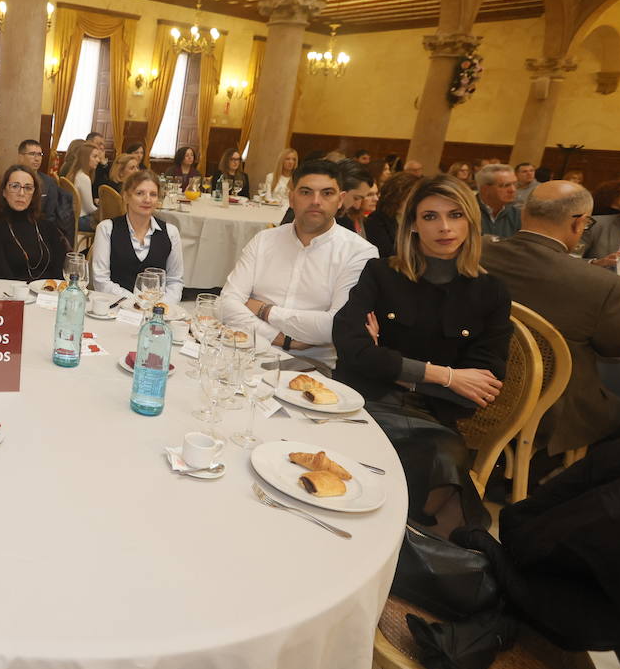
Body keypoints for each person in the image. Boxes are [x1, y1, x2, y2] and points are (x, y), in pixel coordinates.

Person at [333, 175, 511, 531]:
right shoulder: (381, 274)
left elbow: (481, 388)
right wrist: (447, 376)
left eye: (455, 215)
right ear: (413, 224)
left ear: (471, 221)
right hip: (364, 404)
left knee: (443, 468)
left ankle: (400, 545)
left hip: (432, 419)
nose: (444, 227)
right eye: (430, 216)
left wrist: (391, 365)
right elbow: (351, 348)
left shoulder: (490, 292)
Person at [481, 182, 620, 456]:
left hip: (477, 385)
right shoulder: (600, 284)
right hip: (548, 409)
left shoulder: (476, 254)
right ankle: (564, 475)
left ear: (524, 214)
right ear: (579, 223)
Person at [218, 160, 376, 367]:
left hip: (311, 365)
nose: (316, 201)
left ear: (340, 200)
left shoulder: (359, 253)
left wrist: (265, 310)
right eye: (306, 192)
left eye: (327, 193)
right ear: (291, 198)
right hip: (244, 349)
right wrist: (283, 339)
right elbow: (226, 304)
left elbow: (334, 326)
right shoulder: (264, 240)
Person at [91, 169, 184, 304]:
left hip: (156, 309)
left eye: (153, 194)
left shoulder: (171, 232)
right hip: (116, 307)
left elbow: (175, 280)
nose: (147, 199)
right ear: (126, 197)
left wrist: (161, 305)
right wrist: (136, 302)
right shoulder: (107, 229)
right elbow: (101, 280)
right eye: (139, 193)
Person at [0, 165, 69, 282]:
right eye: (15, 186)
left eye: (28, 188)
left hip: (47, 290)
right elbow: (3, 278)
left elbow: (60, 271)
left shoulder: (47, 227)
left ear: (34, 193)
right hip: (10, 291)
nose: (21, 193)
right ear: (4, 192)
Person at [18, 138, 75, 247]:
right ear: (21, 157)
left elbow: (50, 216)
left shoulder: (48, 182)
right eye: (32, 154)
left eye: (39, 155)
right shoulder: (12, 179)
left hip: (40, 231)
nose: (37, 159)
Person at [366, 171, 423, 258]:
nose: (415, 203)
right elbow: (387, 254)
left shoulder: (415, 219)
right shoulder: (376, 220)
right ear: (396, 197)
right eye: (410, 198)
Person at [61, 141, 101, 231]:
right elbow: (89, 208)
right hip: (80, 220)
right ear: (85, 158)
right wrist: (103, 210)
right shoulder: (84, 178)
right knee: (109, 225)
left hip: (70, 217)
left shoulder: (74, 173)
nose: (98, 160)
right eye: (95, 156)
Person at [476, 163, 521, 239]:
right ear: (485, 189)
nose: (513, 190)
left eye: (515, 184)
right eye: (506, 185)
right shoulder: (467, 211)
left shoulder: (517, 215)